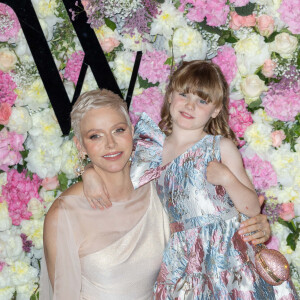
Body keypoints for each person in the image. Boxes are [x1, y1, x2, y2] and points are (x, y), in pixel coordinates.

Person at [82, 61, 298, 299]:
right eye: (184, 94)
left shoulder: (221, 147)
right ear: (170, 96)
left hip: (227, 250)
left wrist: (227, 178)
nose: (190, 105)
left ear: (215, 110)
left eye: (202, 101)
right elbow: (116, 174)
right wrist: (89, 173)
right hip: (182, 255)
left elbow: (252, 206)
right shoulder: (151, 149)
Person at [40, 89, 170, 299]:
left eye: (118, 130)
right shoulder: (64, 214)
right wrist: (87, 171)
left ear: (132, 131)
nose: (110, 143)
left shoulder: (157, 187)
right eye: (95, 136)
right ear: (80, 146)